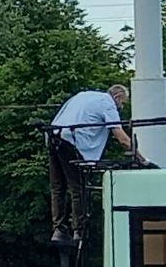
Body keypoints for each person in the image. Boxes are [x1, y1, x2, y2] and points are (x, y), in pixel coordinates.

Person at [48, 84, 147, 243]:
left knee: (58, 188)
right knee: (78, 188)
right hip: (73, 143)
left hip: (54, 138)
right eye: (122, 103)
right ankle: (79, 231)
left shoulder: (84, 95)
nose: (121, 108)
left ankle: (58, 230)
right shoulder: (107, 104)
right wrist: (144, 160)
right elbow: (122, 138)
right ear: (116, 97)